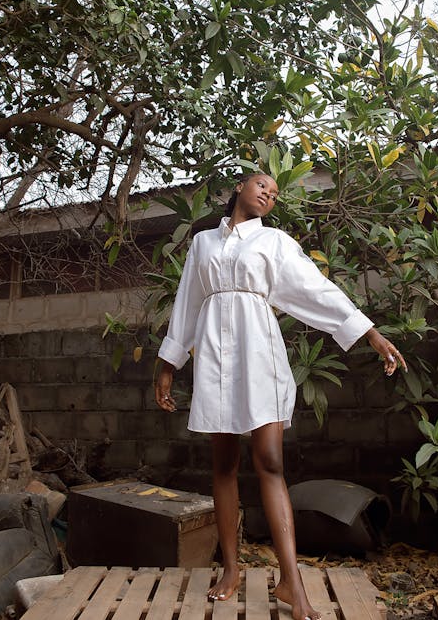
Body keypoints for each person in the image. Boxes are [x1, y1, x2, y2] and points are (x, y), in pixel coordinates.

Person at [155, 172, 406, 620]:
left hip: (259, 355)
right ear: (238, 189)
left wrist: (370, 334)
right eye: (261, 185)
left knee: (269, 460)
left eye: (274, 193)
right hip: (214, 356)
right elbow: (187, 303)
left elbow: (316, 290)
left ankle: (291, 579)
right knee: (224, 464)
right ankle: (230, 569)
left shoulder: (274, 243)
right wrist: (169, 364)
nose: (268, 194)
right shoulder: (203, 244)